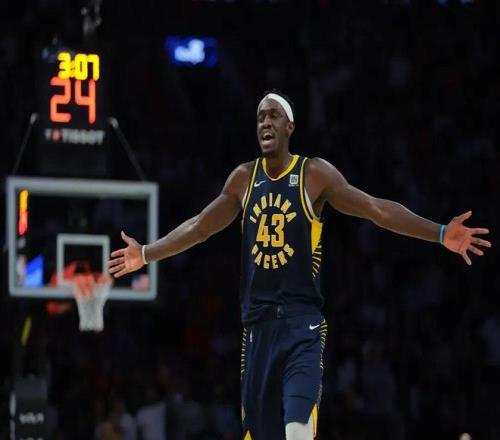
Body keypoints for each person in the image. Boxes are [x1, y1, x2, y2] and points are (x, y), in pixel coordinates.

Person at [108, 91, 491, 440]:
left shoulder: (313, 174)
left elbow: (376, 209)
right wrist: (146, 253)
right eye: (260, 116)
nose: (265, 122)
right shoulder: (243, 179)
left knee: (297, 430)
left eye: (274, 115)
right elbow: (199, 227)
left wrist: (441, 233)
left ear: (290, 126)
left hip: (301, 325)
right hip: (257, 330)